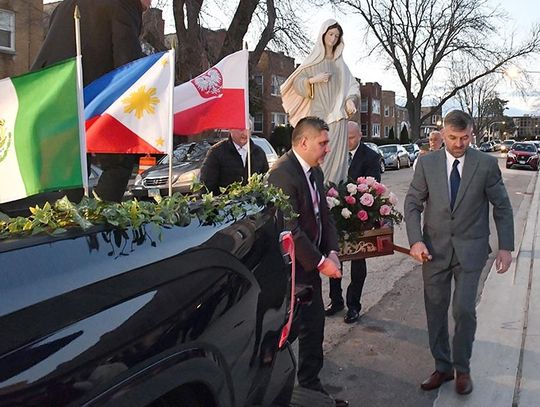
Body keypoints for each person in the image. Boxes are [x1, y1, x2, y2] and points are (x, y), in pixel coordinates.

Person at [404, 110, 514, 395]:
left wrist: (505, 247)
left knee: (464, 310)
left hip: (471, 250)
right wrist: (416, 241)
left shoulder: (486, 165)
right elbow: (412, 203)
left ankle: (462, 368)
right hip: (434, 252)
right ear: (443, 134)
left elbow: (501, 207)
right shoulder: (427, 164)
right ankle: (443, 367)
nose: (459, 143)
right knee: (435, 311)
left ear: (472, 133)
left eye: (465, 138)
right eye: (453, 138)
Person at [31, 0, 152, 203]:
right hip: (95, 94)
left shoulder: (63, 6)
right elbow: (128, 62)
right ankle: (101, 215)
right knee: (120, 157)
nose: (150, 4)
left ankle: (68, 216)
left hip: (53, 91)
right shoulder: (124, 4)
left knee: (71, 165)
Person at [268, 116, 348, 407]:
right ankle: (273, 392)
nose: (327, 148)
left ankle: (312, 391)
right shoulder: (282, 174)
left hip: (310, 268)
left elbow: (322, 217)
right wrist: (319, 263)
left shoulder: (313, 171)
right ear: (303, 142)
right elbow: (290, 228)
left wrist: (333, 251)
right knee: (285, 335)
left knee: (314, 329)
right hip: (291, 273)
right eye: (322, 143)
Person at [280, 19, 360, 185]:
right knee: (318, 156)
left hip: (338, 118)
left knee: (337, 160)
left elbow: (353, 87)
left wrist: (350, 100)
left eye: (336, 36)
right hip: (318, 117)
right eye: (330, 34)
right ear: (323, 35)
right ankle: (318, 192)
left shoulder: (341, 66)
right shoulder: (312, 62)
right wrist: (311, 80)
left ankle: (335, 194)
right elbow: (296, 83)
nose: (333, 39)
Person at [325, 121, 381, 323]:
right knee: (334, 257)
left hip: (358, 217)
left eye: (351, 138)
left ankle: (353, 305)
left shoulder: (370, 157)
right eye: (345, 138)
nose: (347, 142)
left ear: (359, 136)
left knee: (358, 261)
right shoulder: (334, 153)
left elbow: (373, 186)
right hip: (336, 216)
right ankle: (336, 299)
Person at [200, 128, 269, 195]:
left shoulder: (259, 153)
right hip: (225, 203)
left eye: (248, 129)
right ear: (231, 129)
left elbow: (266, 181)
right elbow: (206, 185)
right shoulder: (217, 152)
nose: (245, 133)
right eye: (241, 129)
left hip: (253, 204)